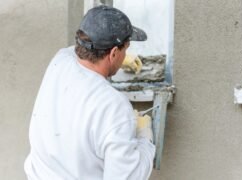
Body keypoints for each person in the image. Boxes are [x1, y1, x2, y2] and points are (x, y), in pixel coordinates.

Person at [24, 5, 155, 180]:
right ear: (114, 53)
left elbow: (76, 50)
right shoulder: (113, 105)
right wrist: (145, 138)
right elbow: (126, 177)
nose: (126, 54)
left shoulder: (60, 61)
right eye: (126, 49)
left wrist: (118, 60)